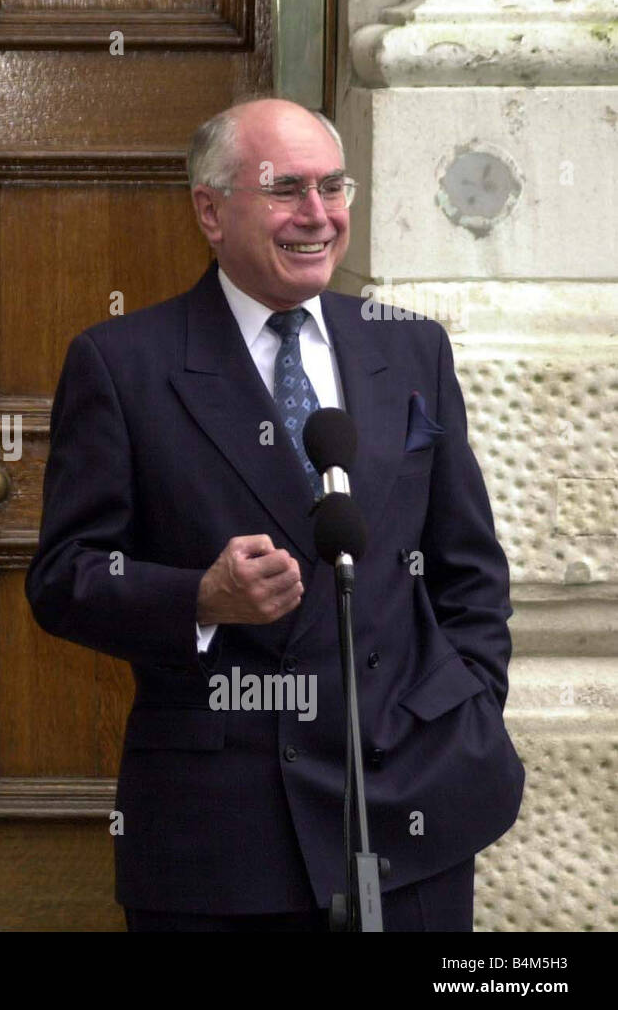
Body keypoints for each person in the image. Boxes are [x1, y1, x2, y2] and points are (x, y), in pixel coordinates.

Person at [25, 98, 523, 931]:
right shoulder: (123, 363)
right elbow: (64, 579)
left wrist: (466, 707)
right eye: (286, 188)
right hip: (228, 830)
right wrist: (199, 600)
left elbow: (468, 566)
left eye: (333, 186)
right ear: (210, 210)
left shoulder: (410, 348)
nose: (318, 215)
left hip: (409, 808)